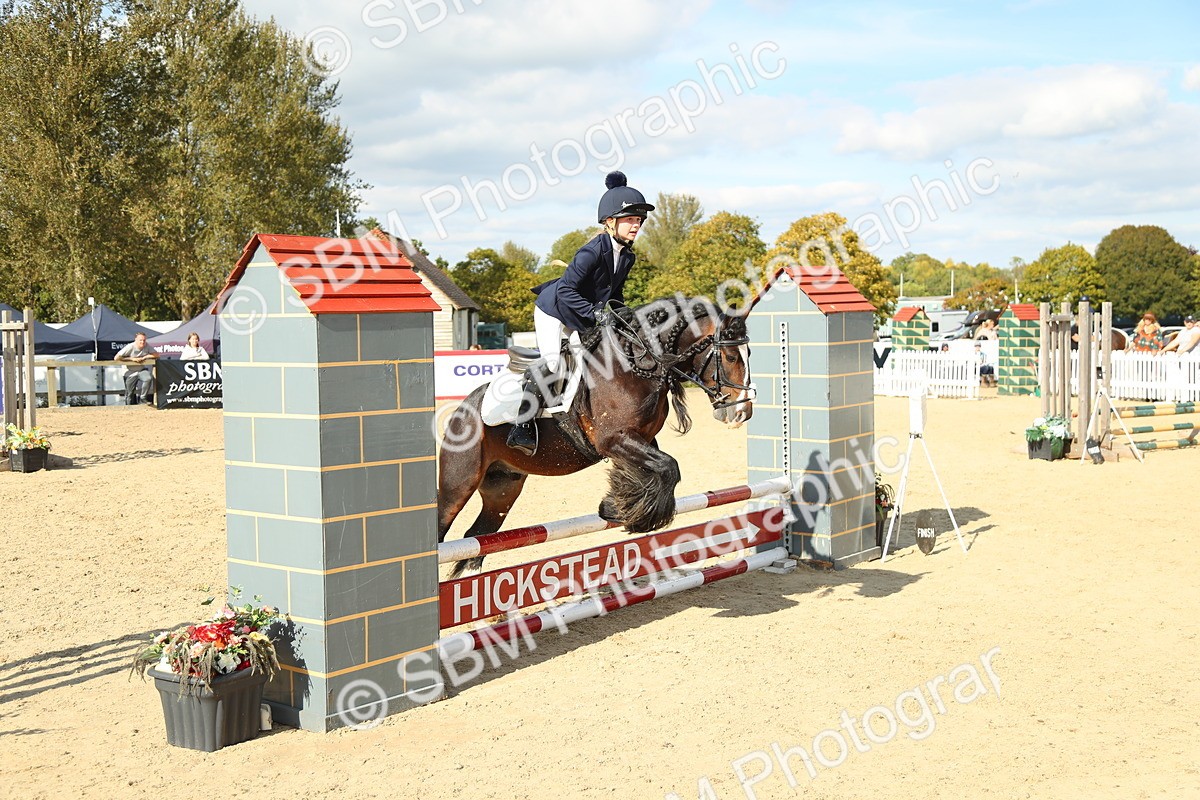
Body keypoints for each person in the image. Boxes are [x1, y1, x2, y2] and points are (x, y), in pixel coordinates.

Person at [506, 171, 655, 455]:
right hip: (555, 311)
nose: (636, 226)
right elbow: (565, 291)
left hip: (584, 313)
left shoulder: (627, 256)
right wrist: (596, 313)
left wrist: (627, 317)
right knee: (554, 364)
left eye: (639, 221)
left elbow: (615, 295)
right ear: (610, 222)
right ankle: (521, 427)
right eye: (630, 220)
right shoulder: (591, 252)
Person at [115, 332, 159, 406]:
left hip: (141, 370)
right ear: (136, 340)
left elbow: (156, 354)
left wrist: (145, 357)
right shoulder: (130, 347)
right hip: (129, 372)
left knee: (148, 378)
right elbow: (117, 357)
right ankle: (128, 408)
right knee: (129, 393)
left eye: (144, 340)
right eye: (140, 340)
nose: (142, 342)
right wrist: (132, 359)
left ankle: (143, 398)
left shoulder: (147, 346)